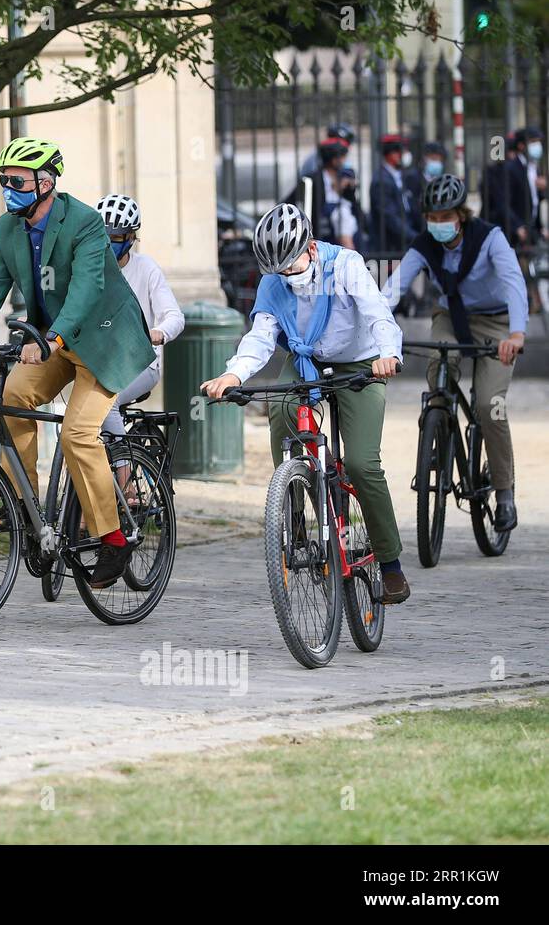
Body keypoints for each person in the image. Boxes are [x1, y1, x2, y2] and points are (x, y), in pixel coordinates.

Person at [0, 138, 155, 589]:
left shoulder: (84, 223)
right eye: (3, 180)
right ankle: (25, 506)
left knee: (79, 433)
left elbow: (85, 288)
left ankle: (114, 538)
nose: (7, 188)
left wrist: (52, 338)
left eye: (15, 181)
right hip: (52, 339)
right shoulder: (8, 228)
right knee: (14, 396)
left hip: (103, 340)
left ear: (46, 182)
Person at [200, 203, 410, 604]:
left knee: (364, 464)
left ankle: (390, 564)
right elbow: (261, 337)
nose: (287, 276)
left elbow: (378, 313)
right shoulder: (274, 282)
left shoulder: (345, 265)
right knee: (280, 410)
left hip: (362, 363)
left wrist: (388, 354)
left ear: (311, 248)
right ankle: (294, 501)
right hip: (306, 360)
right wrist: (233, 375)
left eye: (292, 266)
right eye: (277, 270)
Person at [381, 174, 526, 532]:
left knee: (489, 407)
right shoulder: (423, 246)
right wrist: (378, 330)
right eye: (433, 217)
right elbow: (392, 288)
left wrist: (517, 333)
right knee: (438, 376)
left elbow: (513, 282)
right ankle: (438, 426)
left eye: (446, 216)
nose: (438, 223)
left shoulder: (489, 238)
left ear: (461, 215)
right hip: (450, 318)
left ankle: (504, 492)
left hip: (497, 324)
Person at [94, 193, 185, 438]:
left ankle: (121, 471)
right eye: (103, 236)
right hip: (100, 362)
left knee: (106, 403)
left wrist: (158, 332)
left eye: (115, 237)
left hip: (141, 362)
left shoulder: (146, 268)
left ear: (131, 237)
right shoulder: (89, 268)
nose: (108, 243)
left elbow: (175, 316)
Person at [370, 133, 420, 252]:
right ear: (391, 154)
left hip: (405, 240)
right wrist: (413, 236)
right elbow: (390, 218)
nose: (405, 155)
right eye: (402, 151)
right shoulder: (381, 181)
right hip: (391, 246)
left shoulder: (399, 176)